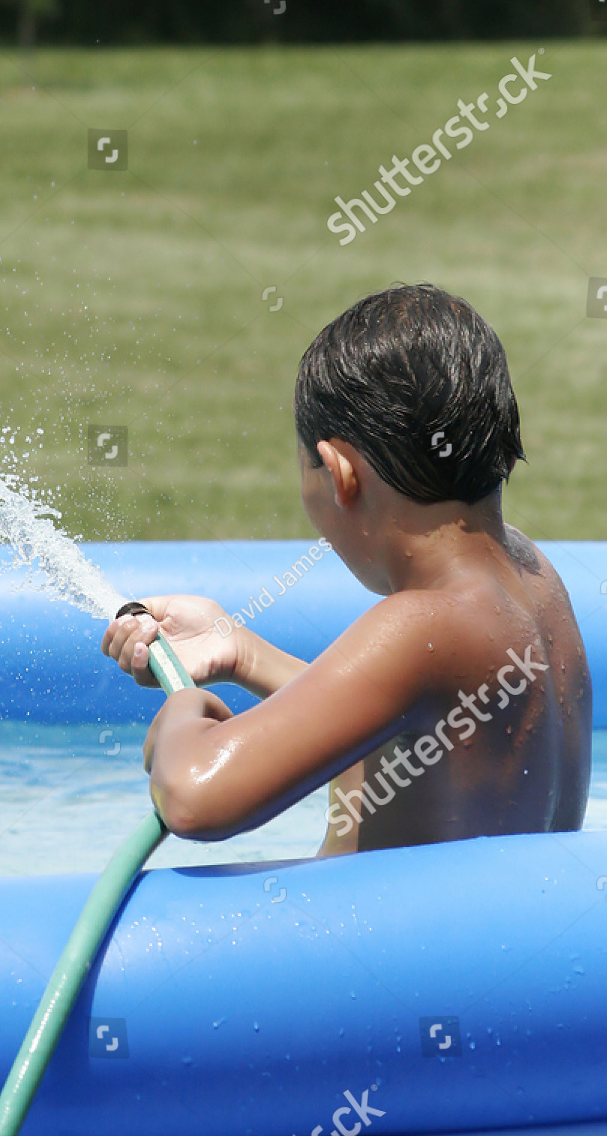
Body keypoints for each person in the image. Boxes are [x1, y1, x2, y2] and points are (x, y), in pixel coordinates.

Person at [101, 284, 591, 855]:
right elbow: (401, 726)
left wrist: (182, 717)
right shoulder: (534, 577)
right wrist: (242, 653)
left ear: (339, 474)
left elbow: (194, 797)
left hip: (390, 947)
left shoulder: (424, 625)